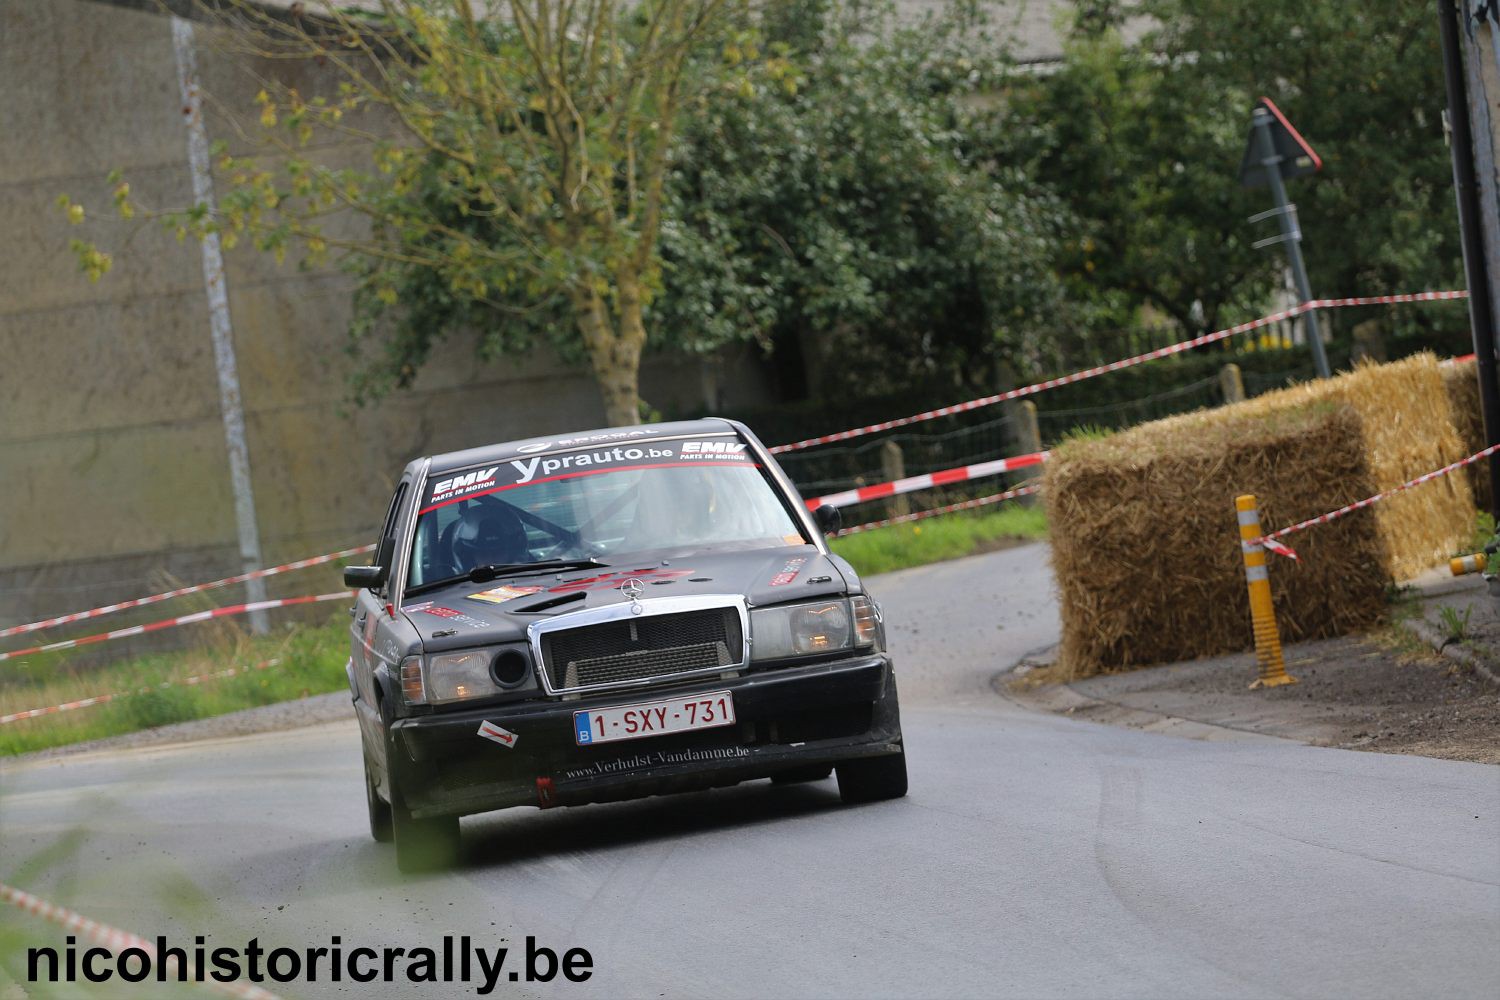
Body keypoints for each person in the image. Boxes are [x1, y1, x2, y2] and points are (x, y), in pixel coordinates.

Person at [451, 503, 529, 571]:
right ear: (469, 558)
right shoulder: (460, 587)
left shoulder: (532, 581)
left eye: (498, 551)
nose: (491, 559)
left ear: (512, 553)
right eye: (483, 554)